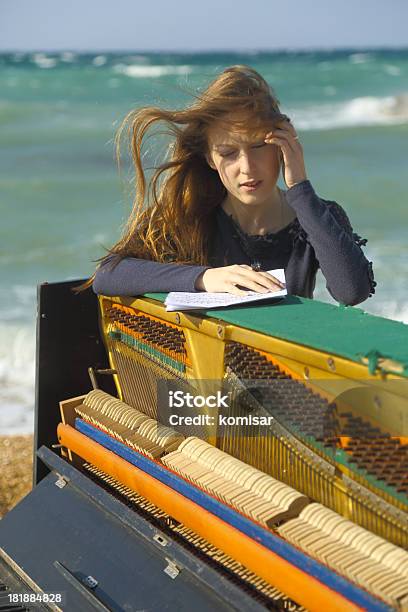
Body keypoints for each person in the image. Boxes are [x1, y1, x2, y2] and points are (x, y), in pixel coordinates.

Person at [81, 66, 376, 305]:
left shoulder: (317, 217)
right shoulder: (189, 216)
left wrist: (299, 186)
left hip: (286, 373)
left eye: (259, 145)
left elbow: (352, 291)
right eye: (228, 153)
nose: (247, 167)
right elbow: (108, 274)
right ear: (210, 158)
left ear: (282, 144)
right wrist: (204, 278)